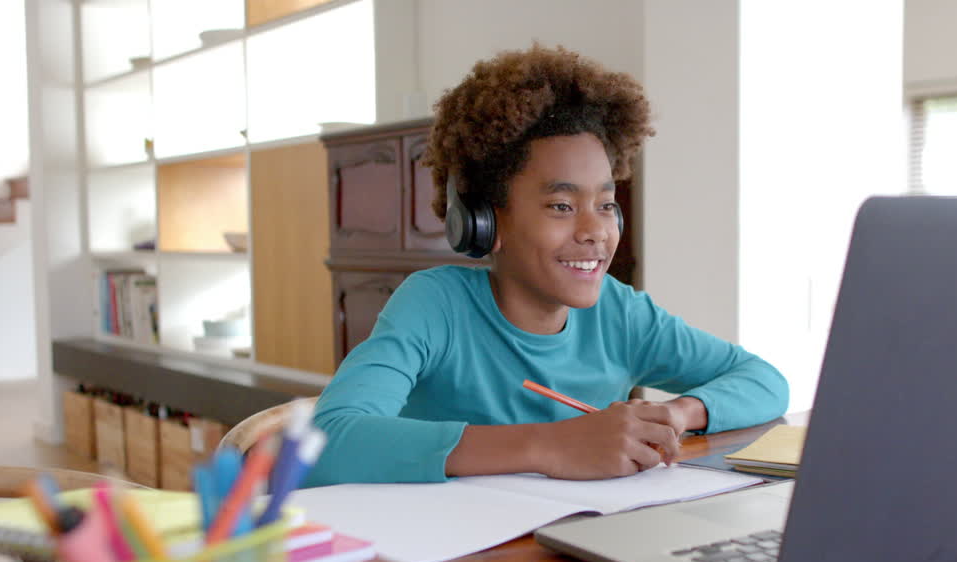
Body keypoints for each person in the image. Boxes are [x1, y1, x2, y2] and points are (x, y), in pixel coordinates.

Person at [307, 45, 788, 486]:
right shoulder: (435, 307)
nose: (595, 230)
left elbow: (765, 381)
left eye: (605, 204)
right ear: (483, 221)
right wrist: (550, 445)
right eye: (561, 206)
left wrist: (679, 415)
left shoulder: (620, 315)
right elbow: (330, 440)